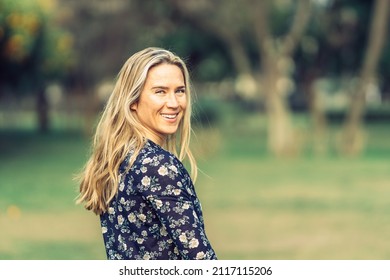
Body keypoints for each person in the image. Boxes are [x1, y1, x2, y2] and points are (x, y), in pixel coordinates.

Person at [76, 47, 217, 260]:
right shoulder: (157, 166)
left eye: (179, 90)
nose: (174, 103)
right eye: (160, 91)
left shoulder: (121, 159)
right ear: (133, 101)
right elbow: (200, 259)